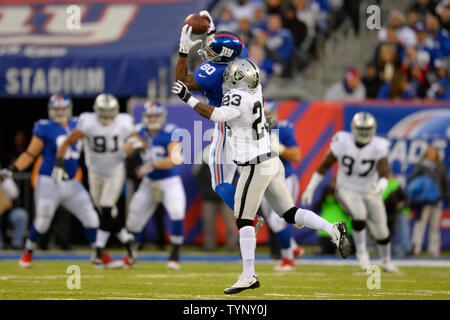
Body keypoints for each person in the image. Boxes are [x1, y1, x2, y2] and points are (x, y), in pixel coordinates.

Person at [172, 57, 351, 294]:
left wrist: (188, 97)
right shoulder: (257, 91)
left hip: (255, 165)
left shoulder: (237, 97)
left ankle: (248, 275)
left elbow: (215, 115)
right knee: (289, 213)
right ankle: (332, 229)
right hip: (272, 161)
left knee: (244, 220)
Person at [0, 94, 100, 267]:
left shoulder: (79, 124)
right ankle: (27, 253)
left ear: (69, 109)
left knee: (92, 218)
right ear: (51, 110)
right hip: (49, 181)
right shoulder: (45, 127)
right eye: (56, 108)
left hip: (72, 181)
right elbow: (30, 154)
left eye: (63, 108)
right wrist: (13, 170)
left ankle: (98, 254)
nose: (60, 112)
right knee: (43, 221)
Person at [302, 112, 399, 273]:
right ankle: (362, 253)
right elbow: (324, 166)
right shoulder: (342, 141)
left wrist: (382, 184)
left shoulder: (379, 145)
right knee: (359, 214)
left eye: (366, 129)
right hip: (347, 188)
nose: (363, 133)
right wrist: (310, 187)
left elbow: (384, 173)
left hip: (370, 190)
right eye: (360, 129)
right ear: (353, 129)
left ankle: (387, 261)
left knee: (381, 229)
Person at [54, 93, 143, 268]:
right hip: (94, 172)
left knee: (107, 206)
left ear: (116, 111)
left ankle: (99, 249)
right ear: (96, 110)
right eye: (103, 111)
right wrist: (59, 165)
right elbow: (67, 142)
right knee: (106, 212)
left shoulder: (124, 122)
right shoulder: (87, 121)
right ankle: (127, 242)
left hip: (115, 170)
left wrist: (133, 145)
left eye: (110, 111)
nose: (107, 115)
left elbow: (139, 142)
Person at [175, 10, 248, 211]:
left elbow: (181, 81)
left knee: (221, 182)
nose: (206, 52)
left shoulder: (212, 73)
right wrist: (212, 34)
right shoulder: (243, 56)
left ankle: (247, 212)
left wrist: (183, 50)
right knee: (252, 175)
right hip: (249, 121)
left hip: (228, 123)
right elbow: (227, 47)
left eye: (212, 51)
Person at [125, 101, 186, 269]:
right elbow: (125, 150)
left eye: (156, 115)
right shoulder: (138, 131)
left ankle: (174, 256)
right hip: (149, 181)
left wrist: (151, 165)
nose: (152, 119)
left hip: (169, 180)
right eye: (150, 115)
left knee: (176, 212)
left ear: (162, 117)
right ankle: (131, 255)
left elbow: (175, 159)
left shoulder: (170, 132)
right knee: (134, 218)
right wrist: (133, 143)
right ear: (145, 117)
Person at [260, 99, 304, 271]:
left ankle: (288, 259)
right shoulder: (250, 130)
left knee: (278, 220)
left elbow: (297, 156)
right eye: (265, 114)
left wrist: (281, 149)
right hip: (264, 179)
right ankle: (293, 248)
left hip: (284, 178)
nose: (267, 118)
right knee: (273, 220)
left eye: (269, 113)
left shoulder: (282, 129)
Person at [192, 144, 238, 251]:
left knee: (230, 223)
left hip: (225, 196)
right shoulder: (205, 153)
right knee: (208, 223)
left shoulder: (230, 153)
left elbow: (237, 173)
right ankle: (209, 245)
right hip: (209, 196)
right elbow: (196, 173)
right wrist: (204, 190)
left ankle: (232, 245)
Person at [408, 146, 449, 257]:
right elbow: (412, 180)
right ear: (426, 154)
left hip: (437, 201)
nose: (431, 155)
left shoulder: (440, 168)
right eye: (429, 152)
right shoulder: (421, 166)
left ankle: (434, 249)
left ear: (436, 154)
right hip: (423, 201)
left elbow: (444, 184)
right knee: (420, 224)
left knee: (435, 226)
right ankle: (416, 247)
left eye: (433, 153)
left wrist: (446, 197)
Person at [0, 173, 28, 250]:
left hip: (5, 212)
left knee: (21, 215)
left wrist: (3, 180)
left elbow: (14, 193)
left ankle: (16, 244)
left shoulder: (3, 174)